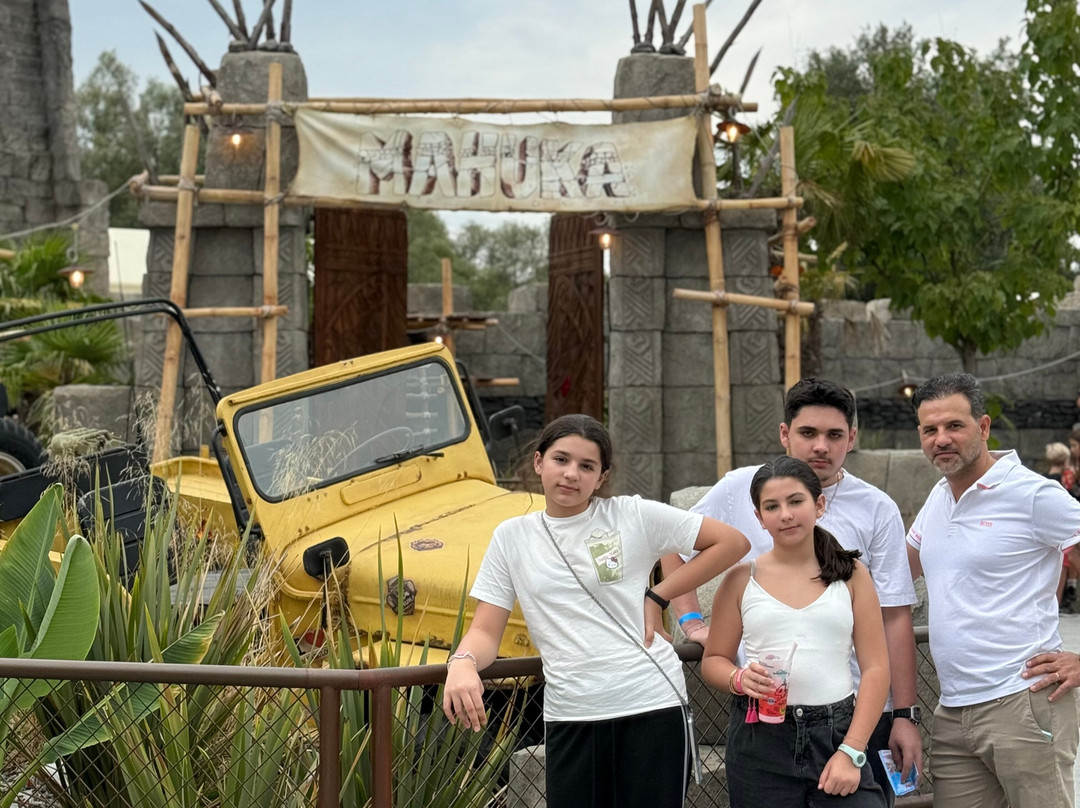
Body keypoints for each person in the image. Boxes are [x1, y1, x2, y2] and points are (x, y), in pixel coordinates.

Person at [441, 414, 751, 808]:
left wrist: (657, 596)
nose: (571, 474)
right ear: (539, 462)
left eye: (587, 466)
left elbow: (732, 543)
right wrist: (463, 662)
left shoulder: (631, 515)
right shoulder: (511, 538)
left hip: (651, 703)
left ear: (601, 477)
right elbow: (486, 631)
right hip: (571, 712)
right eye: (561, 460)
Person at [660, 377, 922, 803]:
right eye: (807, 433)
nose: (820, 445)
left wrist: (904, 715)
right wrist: (690, 621)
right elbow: (672, 544)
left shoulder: (875, 511)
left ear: (851, 438)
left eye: (834, 435)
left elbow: (895, 617)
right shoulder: (741, 492)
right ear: (785, 434)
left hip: (856, 711)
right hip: (764, 715)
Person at [907, 373, 1080, 808]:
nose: (941, 439)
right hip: (951, 711)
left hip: (1024, 703)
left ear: (983, 427)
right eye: (930, 430)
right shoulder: (938, 497)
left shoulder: (1035, 495)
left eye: (954, 426)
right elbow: (891, 576)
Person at [702, 456, 889, 807]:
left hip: (837, 733)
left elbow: (877, 667)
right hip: (760, 740)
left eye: (796, 501)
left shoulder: (852, 574)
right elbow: (714, 659)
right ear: (759, 518)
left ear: (819, 505)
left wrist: (852, 750)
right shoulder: (741, 579)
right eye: (771, 506)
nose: (785, 514)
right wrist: (738, 678)